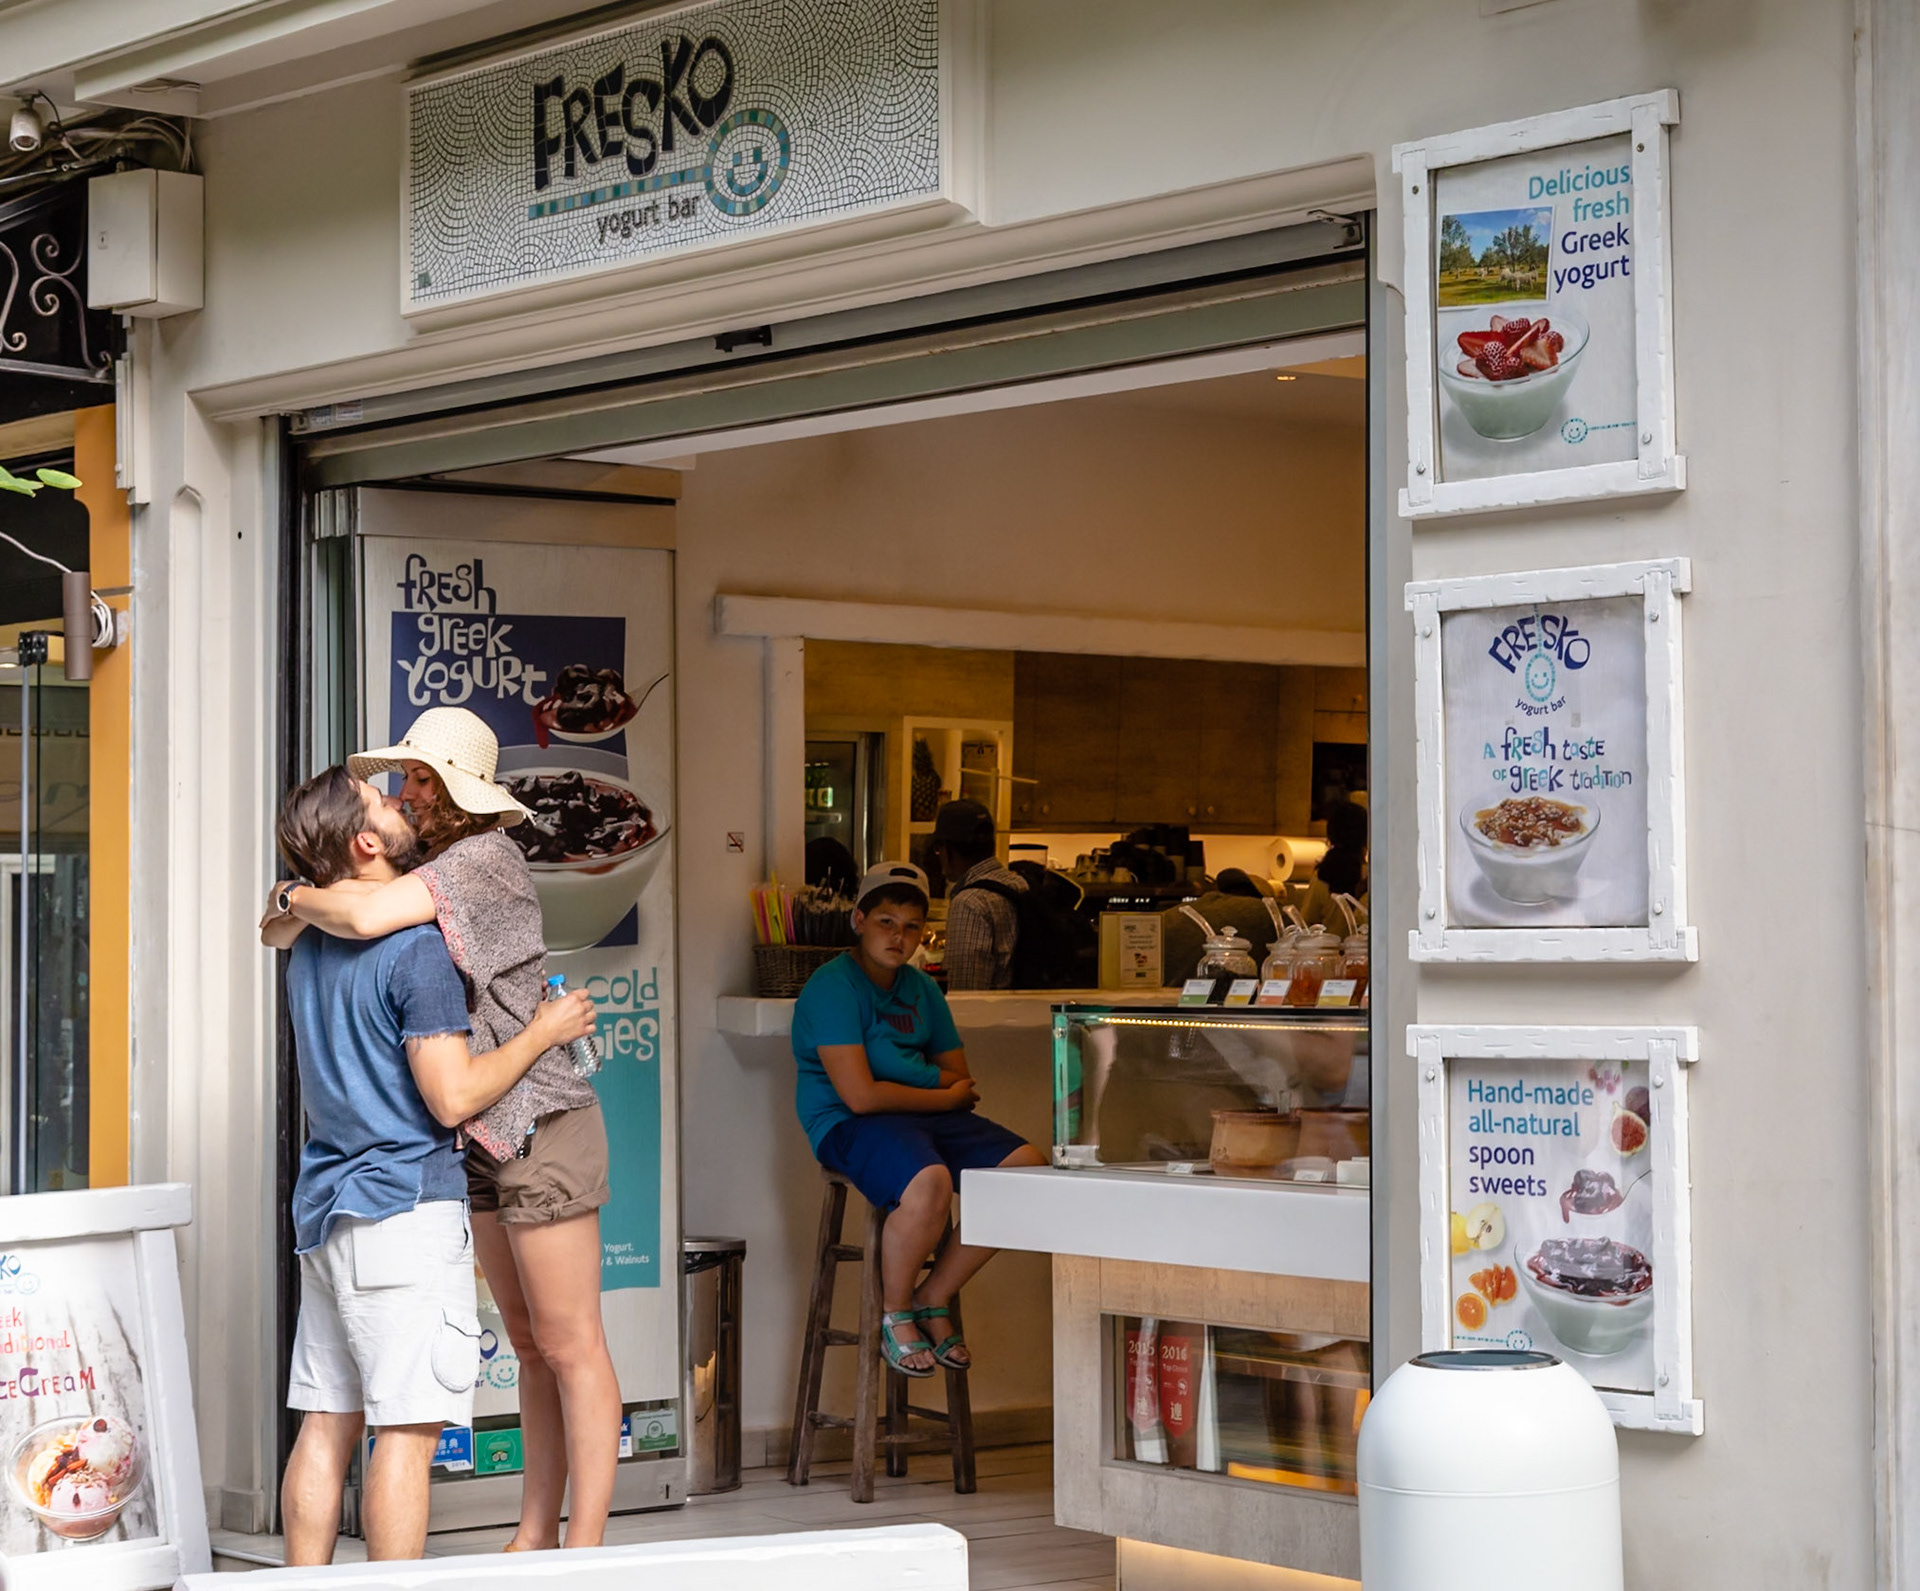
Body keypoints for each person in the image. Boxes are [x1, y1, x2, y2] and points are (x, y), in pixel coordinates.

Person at [261, 707, 621, 1553]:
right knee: (530, 1344)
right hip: (475, 1139)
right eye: (401, 782)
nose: (404, 791)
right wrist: (291, 896)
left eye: (421, 780)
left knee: (572, 1345)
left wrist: (292, 891)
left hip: (535, 1117)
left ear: (462, 796)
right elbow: (320, 917)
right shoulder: (403, 887)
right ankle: (536, 1535)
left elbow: (352, 919)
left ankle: (586, 1548)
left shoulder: (481, 859)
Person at [790, 862, 1047, 1375]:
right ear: (858, 920)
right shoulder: (832, 987)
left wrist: (909, 1081)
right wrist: (935, 1087)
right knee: (928, 1182)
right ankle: (895, 1313)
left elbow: (961, 1075)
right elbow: (861, 1097)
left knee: (1026, 1171)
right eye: (886, 922)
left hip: (915, 1118)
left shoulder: (921, 988)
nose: (899, 937)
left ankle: (935, 1295)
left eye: (911, 927)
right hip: (845, 1125)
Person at [931, 799, 1026, 990]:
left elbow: (965, 993)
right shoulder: (1018, 884)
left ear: (947, 849)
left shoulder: (969, 903)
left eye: (938, 849)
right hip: (1024, 1013)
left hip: (991, 1018)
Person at [1301, 799, 1369, 932]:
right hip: (1362, 951)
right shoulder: (1371, 877)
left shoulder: (1322, 876)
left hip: (1327, 950)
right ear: (1365, 838)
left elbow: (1305, 924)